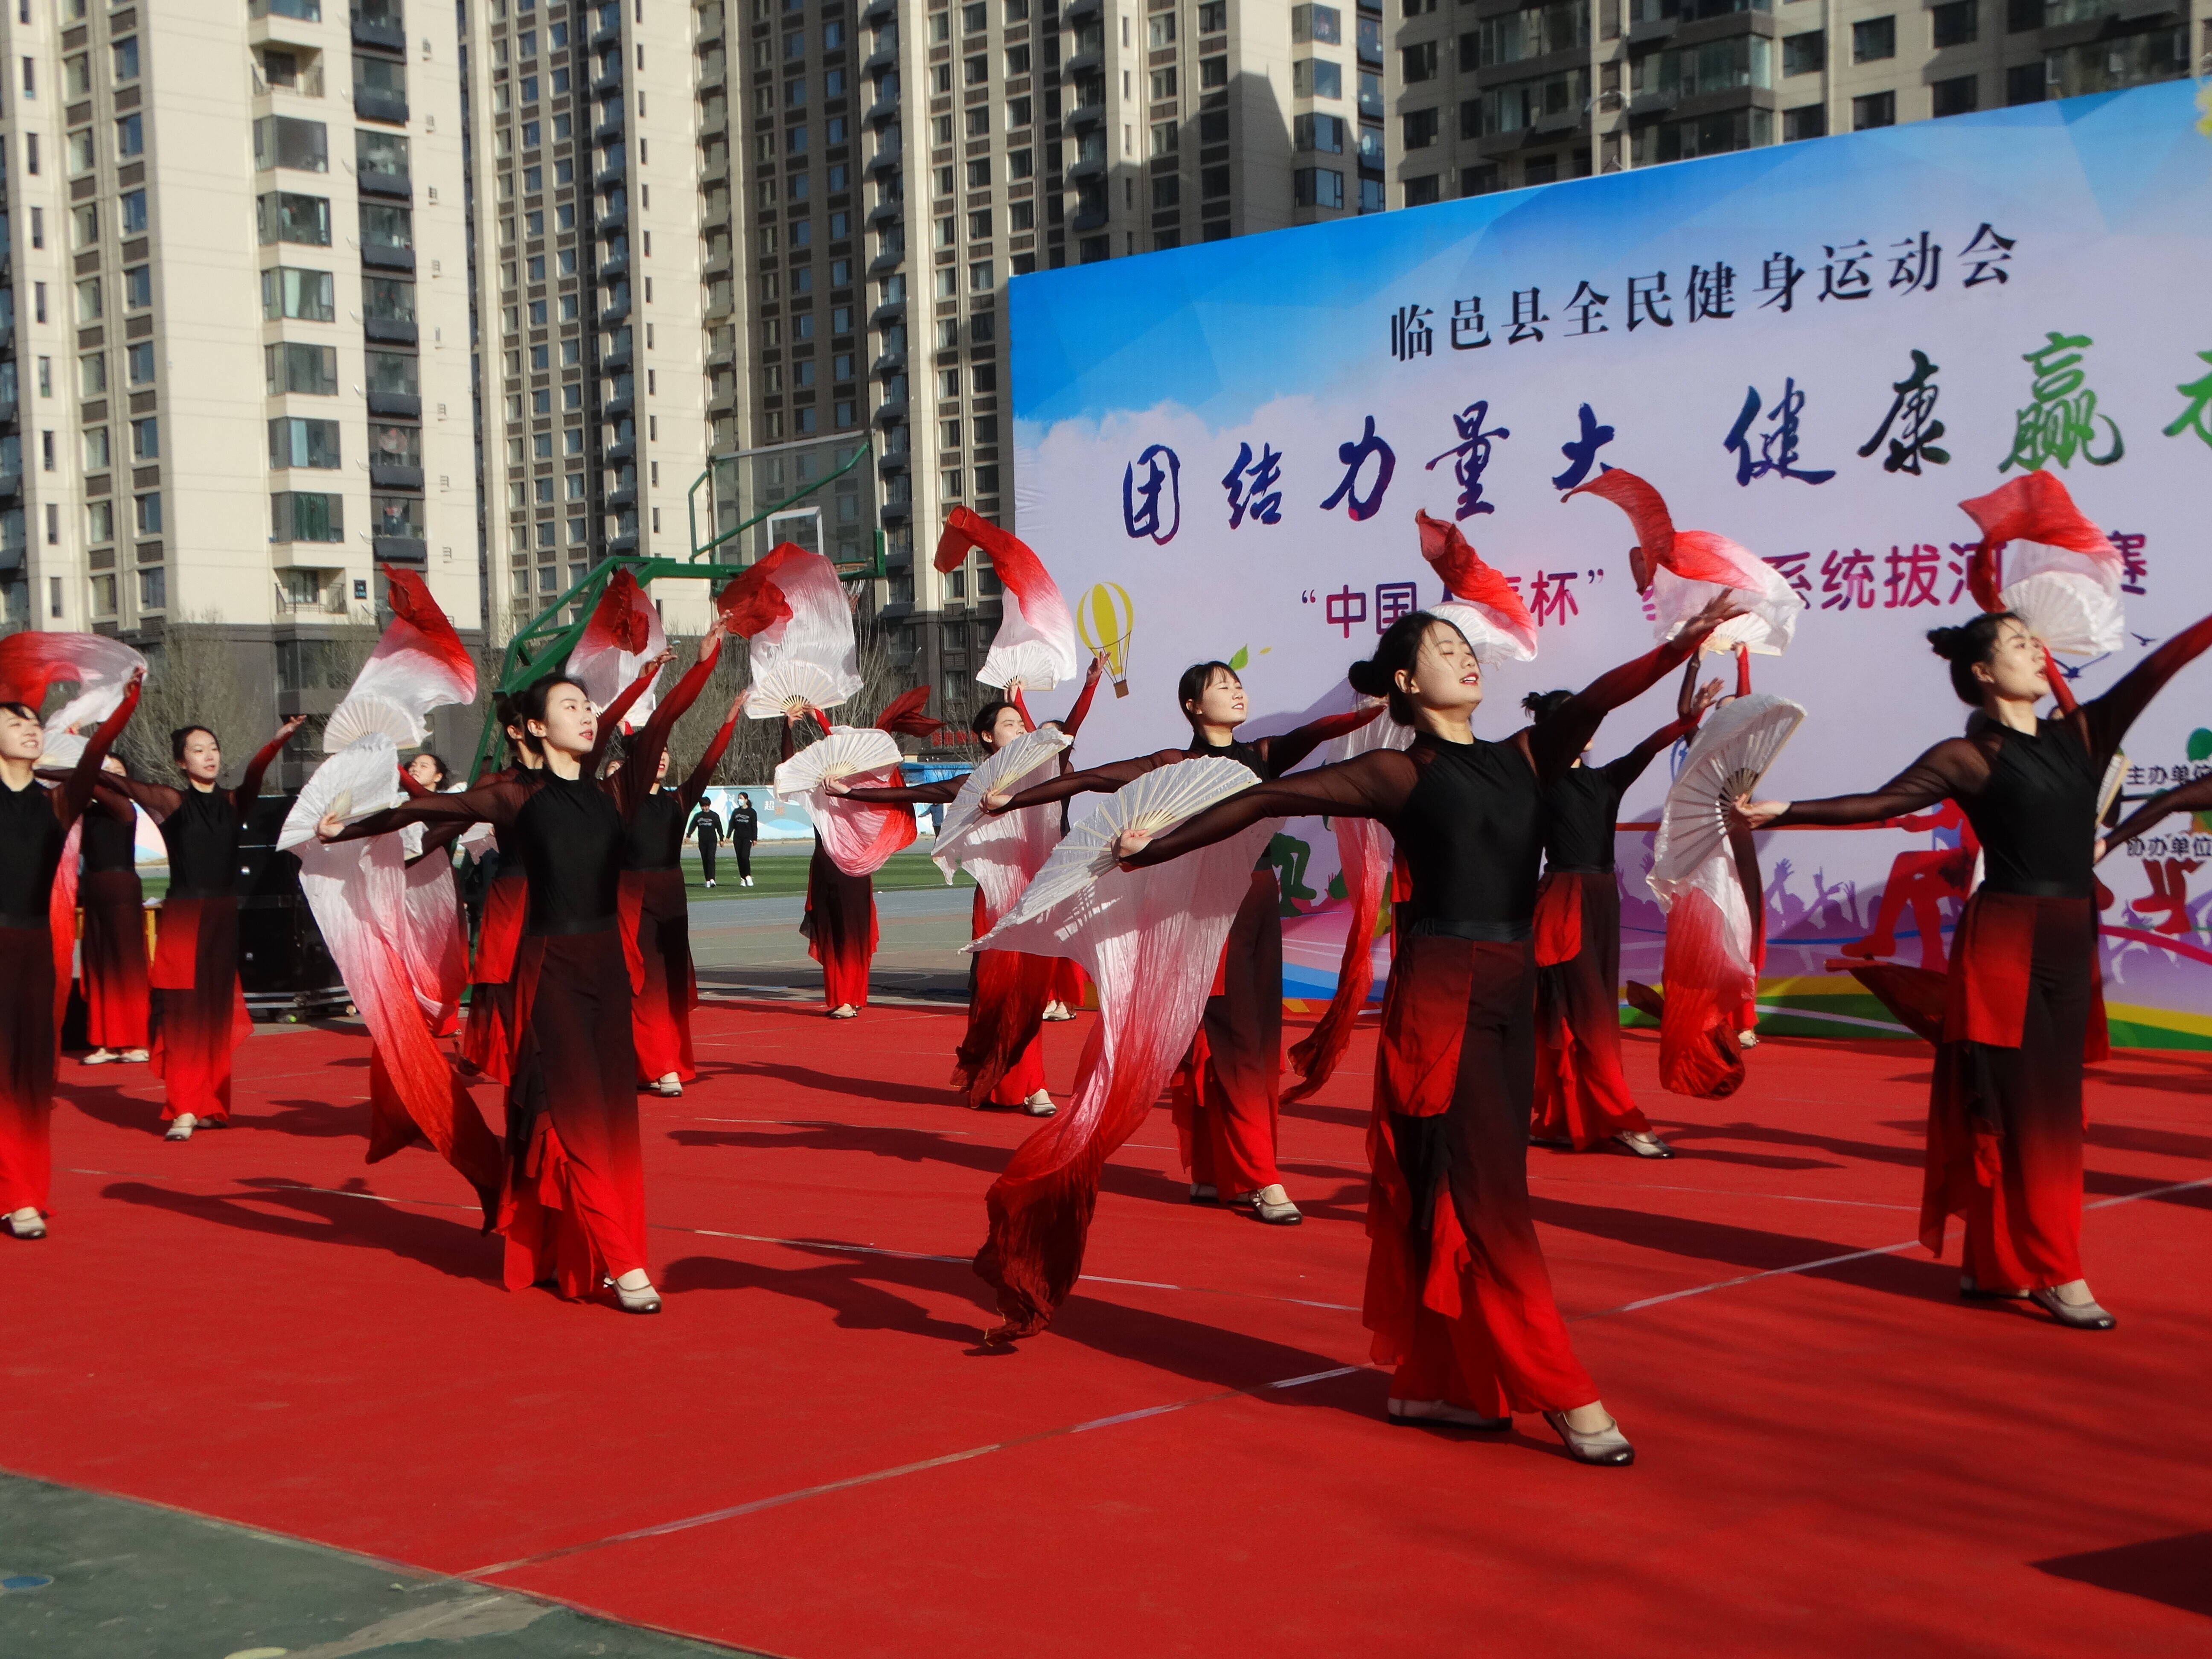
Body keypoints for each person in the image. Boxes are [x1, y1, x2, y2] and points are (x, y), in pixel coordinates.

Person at [1118, 598, 1741, 1463]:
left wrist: (1678, 645)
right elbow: (1268, 797)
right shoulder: (1398, 774)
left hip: (1511, 988)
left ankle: (1440, 1384)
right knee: (1484, 1195)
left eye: (1466, 646)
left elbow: (1600, 700)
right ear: (1409, 682)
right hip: (1441, 999)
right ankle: (1561, 1388)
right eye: (1445, 649)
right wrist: (1151, 847)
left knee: (1471, 1186)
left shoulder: (1526, 756)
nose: (1466, 656)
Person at [1735, 608, 2212, 1332]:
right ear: (1984, 671)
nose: (2036, 651)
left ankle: (1994, 1265)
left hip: (2068, 942)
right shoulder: (1968, 757)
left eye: (2034, 641)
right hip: (2005, 944)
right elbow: (1883, 801)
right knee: (2029, 1111)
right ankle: (2056, 1269)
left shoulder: (2082, 736)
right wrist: (1783, 811)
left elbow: (2158, 666)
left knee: (2047, 1108)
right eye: (2018, 643)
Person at [321, 672, 678, 1313]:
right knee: (572, 1116)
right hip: (550, 972)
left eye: (588, 705)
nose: (586, 714)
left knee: (615, 1120)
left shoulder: (613, 792)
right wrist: (342, 830)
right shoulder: (515, 796)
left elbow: (661, 724)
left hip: (607, 971)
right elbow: (425, 810)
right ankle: (625, 1264)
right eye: (570, 706)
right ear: (536, 728)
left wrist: (700, 661)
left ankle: (566, 1250)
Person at [992, 661, 1380, 1225]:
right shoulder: (1175, 765)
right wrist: (1012, 800)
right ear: (1193, 707)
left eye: (1238, 685)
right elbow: (1091, 779)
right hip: (1207, 911)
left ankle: (1213, 1169)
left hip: (1258, 902)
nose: (1236, 692)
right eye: (1222, 687)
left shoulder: (1263, 755)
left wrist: (1372, 708)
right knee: (1236, 1041)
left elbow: (1319, 730)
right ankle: (1261, 1176)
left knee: (1243, 1039)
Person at [832, 660, 1105, 1113]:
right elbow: (915, 794)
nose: (1022, 729)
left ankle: (1033, 1084)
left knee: (1031, 993)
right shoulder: (975, 784)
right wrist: (851, 793)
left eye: (1022, 724)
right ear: (987, 736)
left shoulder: (1047, 770)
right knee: (995, 992)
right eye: (1011, 724)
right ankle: (1000, 1081)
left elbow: (1069, 732)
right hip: (994, 900)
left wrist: (1090, 686)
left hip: (1039, 896)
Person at [1524, 664, 1721, 1156]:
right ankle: (1623, 1119)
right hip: (1563, 905)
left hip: (1600, 900)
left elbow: (1649, 748)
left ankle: (1561, 1120)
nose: (1586, 730)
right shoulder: (1535, 783)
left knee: (1592, 1015)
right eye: (1576, 721)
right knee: (1583, 1015)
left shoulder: (1608, 780)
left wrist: (1690, 719)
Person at [91, 713, 308, 1140]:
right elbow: (116, 783)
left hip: (223, 919)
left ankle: (210, 1104)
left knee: (214, 1014)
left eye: (213, 748)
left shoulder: (234, 802)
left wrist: (277, 741)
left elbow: (255, 774)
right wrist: (67, 764)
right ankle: (185, 1108)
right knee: (184, 1014)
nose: (209, 756)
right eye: (198, 750)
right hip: (185, 917)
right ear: (181, 762)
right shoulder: (171, 801)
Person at [1, 675, 141, 1238]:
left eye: (34, 723)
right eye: (14, 723)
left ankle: (25, 1194)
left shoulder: (58, 803)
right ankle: (13, 1192)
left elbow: (96, 755)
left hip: (35, 951)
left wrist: (125, 705)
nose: (30, 730)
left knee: (32, 1076)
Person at [615, 661, 740, 1097]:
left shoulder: (679, 800)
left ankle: (664, 1063)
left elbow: (707, 765)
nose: (664, 755)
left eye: (667, 750)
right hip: (632, 896)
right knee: (643, 983)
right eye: (656, 749)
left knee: (669, 981)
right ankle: (658, 1066)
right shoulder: (621, 800)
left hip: (671, 896)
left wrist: (728, 724)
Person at [78, 756, 153, 1066]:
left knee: (127, 963)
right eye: (106, 771)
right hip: (93, 888)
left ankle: (135, 1039)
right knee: (99, 963)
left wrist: (86, 771)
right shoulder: (86, 812)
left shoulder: (126, 809)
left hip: (122, 887)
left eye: (117, 772)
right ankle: (106, 1040)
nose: (110, 776)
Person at [689, 796, 725, 888]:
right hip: (702, 841)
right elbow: (692, 826)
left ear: (709, 806)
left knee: (711, 858)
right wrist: (688, 835)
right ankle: (707, 880)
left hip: (712, 841)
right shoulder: (698, 816)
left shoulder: (714, 816)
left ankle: (712, 879)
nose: (705, 808)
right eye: (703, 806)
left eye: (706, 806)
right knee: (705, 860)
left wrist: (722, 839)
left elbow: (719, 828)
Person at [729, 790, 758, 886]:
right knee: (739, 858)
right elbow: (732, 825)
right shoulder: (736, 812)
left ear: (746, 800)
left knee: (745, 856)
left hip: (747, 838)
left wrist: (755, 838)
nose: (739, 800)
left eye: (741, 798)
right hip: (738, 838)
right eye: (739, 798)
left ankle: (748, 876)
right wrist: (728, 836)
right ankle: (743, 878)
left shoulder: (752, 812)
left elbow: (754, 826)